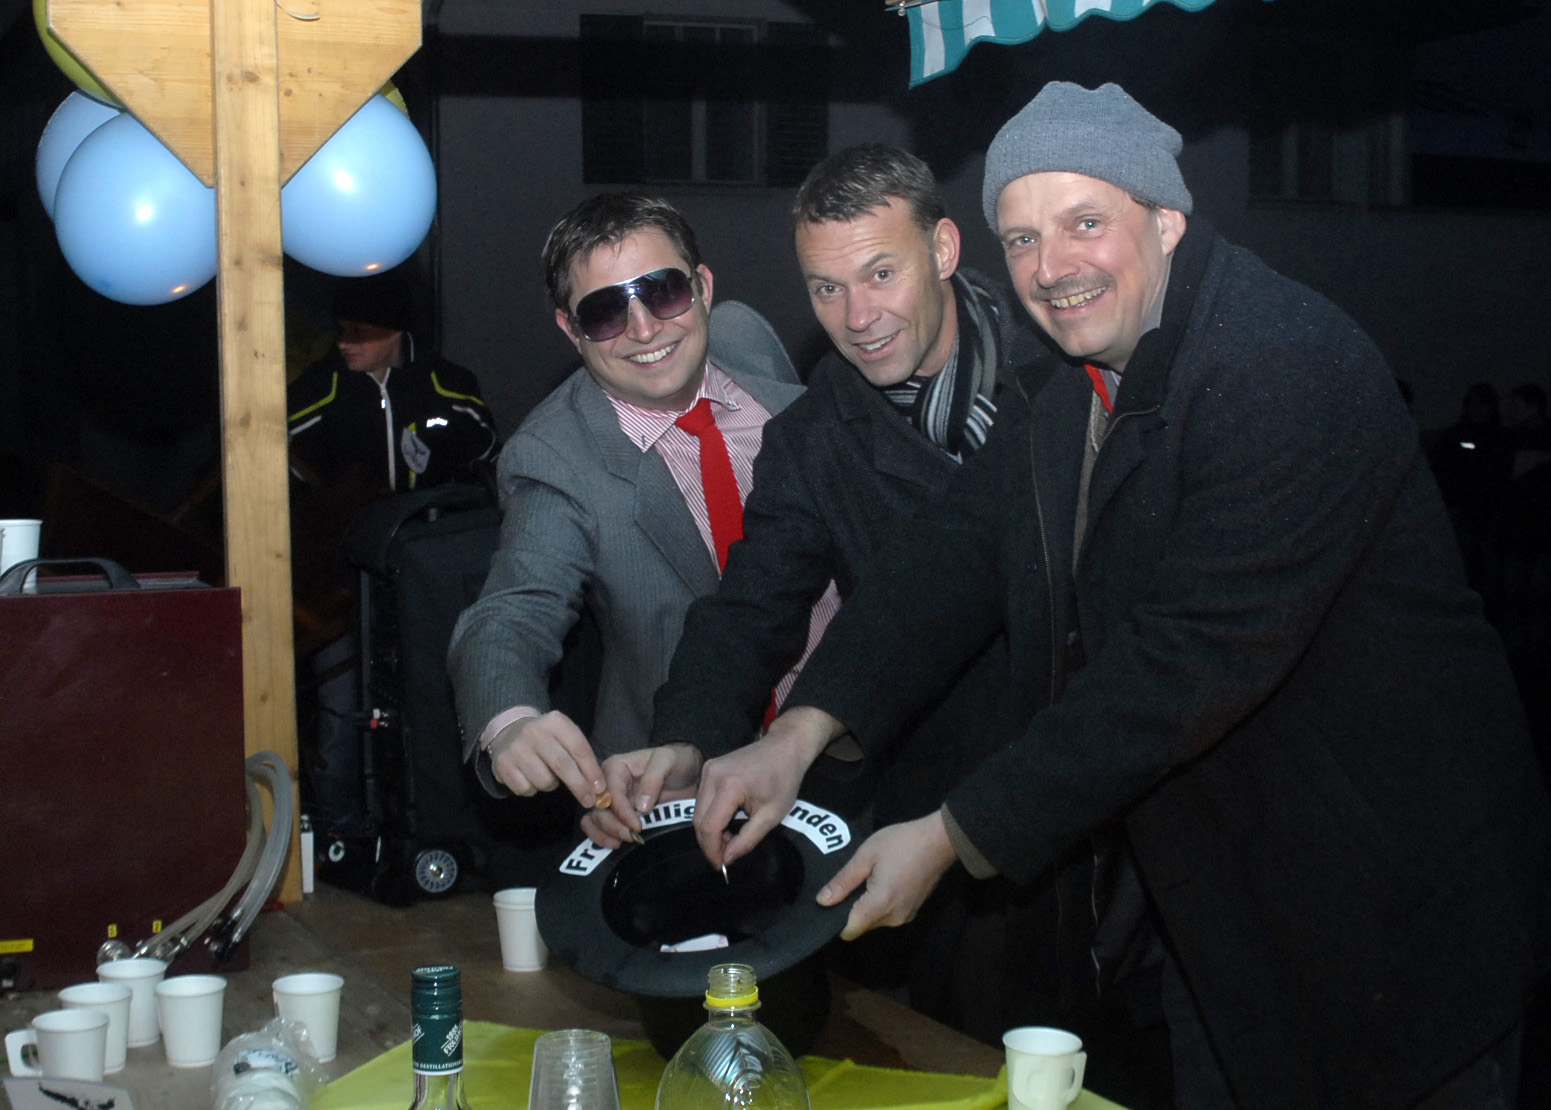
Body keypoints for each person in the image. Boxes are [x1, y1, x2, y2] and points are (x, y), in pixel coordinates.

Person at [681, 83, 1551, 1108]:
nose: (1051, 267)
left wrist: (952, 833)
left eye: (1084, 222)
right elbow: (946, 560)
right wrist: (798, 734)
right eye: (1023, 238)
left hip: (1390, 900)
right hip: (1231, 905)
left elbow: (1182, 666)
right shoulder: (1071, 381)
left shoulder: (1280, 365)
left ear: (1166, 218)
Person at [583, 146, 1100, 1045]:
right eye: (826, 289)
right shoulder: (814, 436)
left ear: (943, 249)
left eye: (879, 274)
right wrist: (685, 740)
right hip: (939, 817)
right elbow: (750, 608)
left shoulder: (1070, 366)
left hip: (1111, 794)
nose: (857, 318)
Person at [446, 193, 814, 811]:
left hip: (845, 743)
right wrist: (510, 720)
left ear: (702, 287)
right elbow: (514, 609)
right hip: (683, 781)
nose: (644, 329)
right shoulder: (556, 457)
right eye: (604, 311)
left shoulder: (758, 355)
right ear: (570, 328)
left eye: (664, 291)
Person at [287, 266, 498, 495]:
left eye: (361, 332)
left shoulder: (451, 387)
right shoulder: (321, 387)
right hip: (351, 519)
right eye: (342, 329)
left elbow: (490, 463)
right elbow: (272, 448)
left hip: (435, 517)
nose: (345, 342)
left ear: (395, 331)